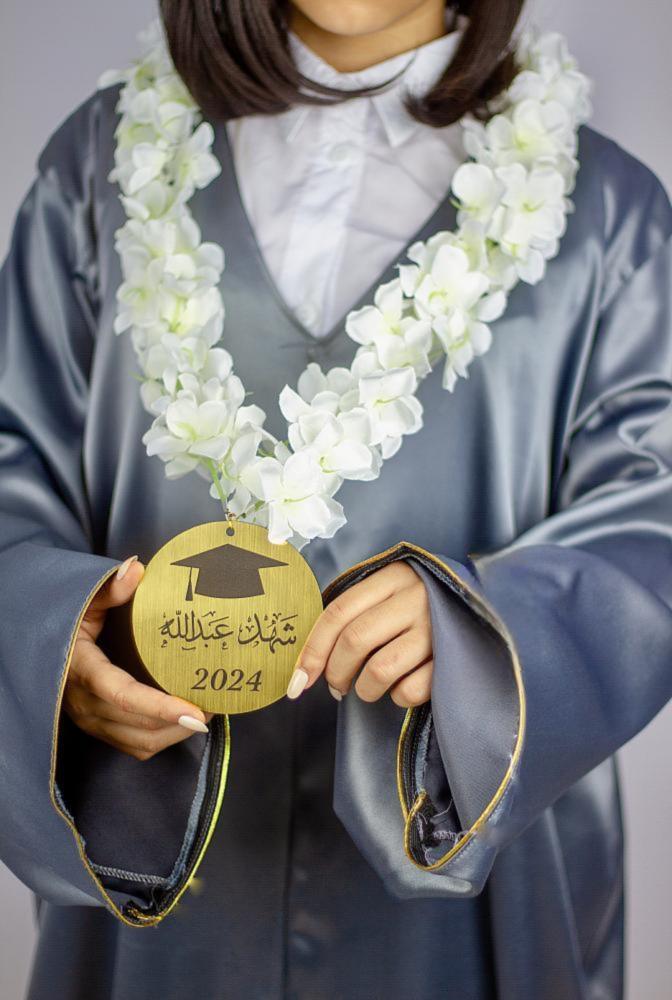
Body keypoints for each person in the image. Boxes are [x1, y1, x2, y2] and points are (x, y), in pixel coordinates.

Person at [0, 1, 670, 998]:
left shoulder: (608, 212)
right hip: (168, 898)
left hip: (464, 916)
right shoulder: (100, 171)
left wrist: (491, 627)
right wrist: (53, 640)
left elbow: (654, 521)